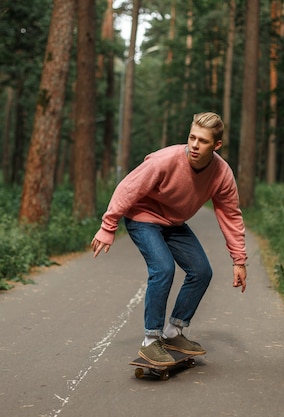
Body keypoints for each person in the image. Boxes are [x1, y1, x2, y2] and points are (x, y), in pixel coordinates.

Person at [91, 112, 247, 365]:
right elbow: (128, 188)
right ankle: (151, 340)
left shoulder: (221, 173)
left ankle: (174, 332)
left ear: (216, 145)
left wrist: (239, 260)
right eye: (192, 138)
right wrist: (108, 226)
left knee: (202, 271)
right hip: (142, 217)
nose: (195, 145)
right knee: (163, 268)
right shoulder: (164, 160)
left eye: (203, 141)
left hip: (173, 223)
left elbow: (230, 215)